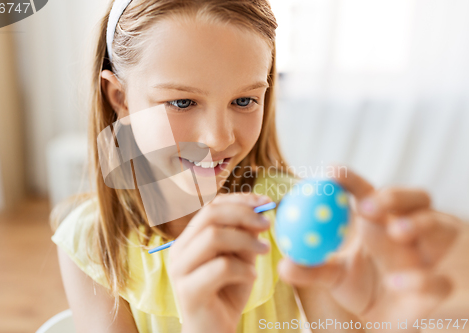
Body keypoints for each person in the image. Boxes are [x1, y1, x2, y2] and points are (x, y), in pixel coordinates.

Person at [50, 1, 462, 332]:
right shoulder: (89, 245)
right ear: (119, 97)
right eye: (182, 102)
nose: (219, 138)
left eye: (244, 100)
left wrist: (379, 320)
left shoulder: (289, 214)